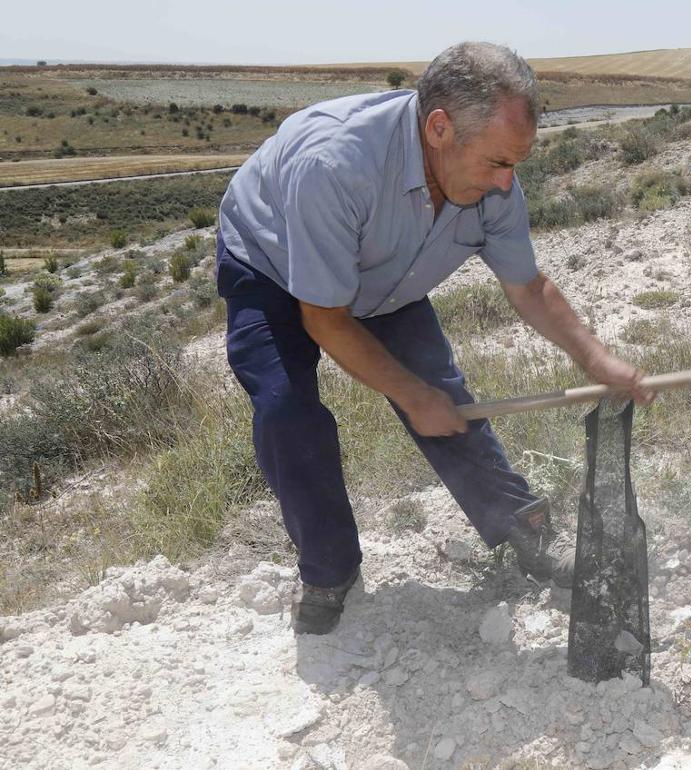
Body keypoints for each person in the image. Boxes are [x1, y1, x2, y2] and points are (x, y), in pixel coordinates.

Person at [215, 41, 653, 634]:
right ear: (440, 128)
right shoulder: (336, 166)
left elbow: (528, 289)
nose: (506, 183)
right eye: (498, 162)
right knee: (286, 411)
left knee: (446, 396)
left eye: (516, 164)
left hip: (385, 272)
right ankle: (329, 569)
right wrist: (410, 396)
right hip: (272, 259)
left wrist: (598, 360)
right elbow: (325, 318)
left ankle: (522, 525)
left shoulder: (493, 180)